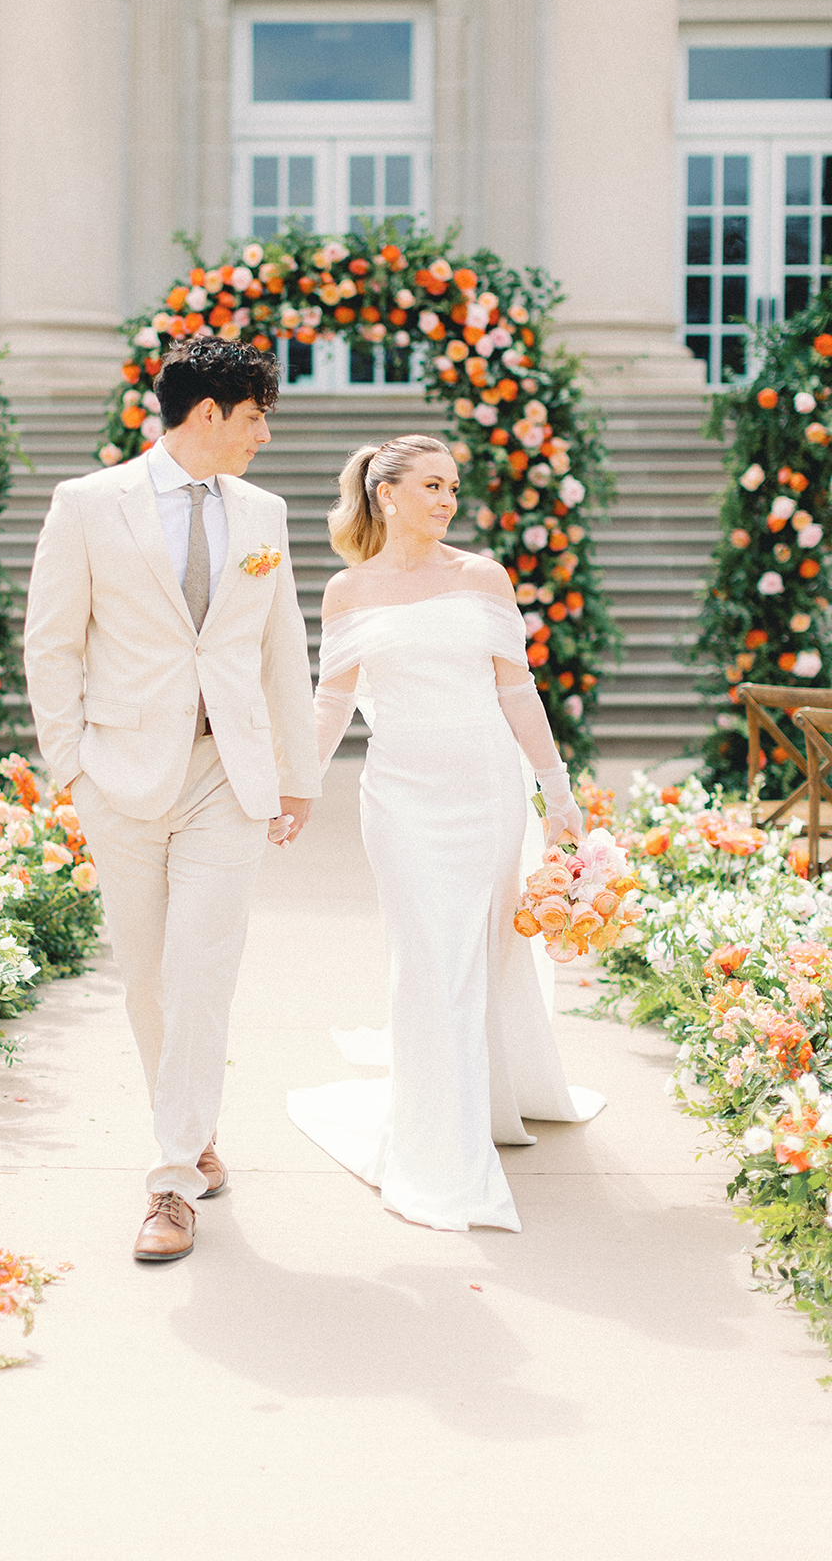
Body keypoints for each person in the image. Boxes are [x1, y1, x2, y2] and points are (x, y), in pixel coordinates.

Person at [25, 337, 320, 1262]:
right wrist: (72, 765)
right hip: (121, 775)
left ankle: (168, 1184)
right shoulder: (87, 505)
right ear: (207, 415)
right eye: (255, 416)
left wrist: (297, 773)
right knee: (148, 980)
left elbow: (282, 651)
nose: (264, 435)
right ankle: (191, 1132)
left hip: (225, 778)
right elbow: (52, 643)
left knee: (202, 972)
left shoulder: (264, 513)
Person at [287, 435, 604, 1233]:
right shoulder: (346, 591)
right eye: (431, 484)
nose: (446, 498)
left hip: (486, 791)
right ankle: (438, 1142)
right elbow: (331, 704)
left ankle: (483, 1104)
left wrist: (555, 791)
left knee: (479, 950)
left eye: (453, 486)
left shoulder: (482, 576)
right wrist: (299, 785)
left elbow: (517, 692)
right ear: (386, 495)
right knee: (428, 956)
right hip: (399, 799)